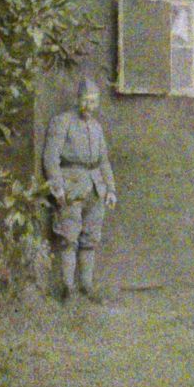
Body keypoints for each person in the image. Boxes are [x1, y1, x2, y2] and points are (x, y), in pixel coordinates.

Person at [42, 77, 116, 302]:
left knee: (90, 239)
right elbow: (51, 157)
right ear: (78, 99)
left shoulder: (96, 127)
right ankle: (67, 287)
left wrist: (111, 189)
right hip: (71, 187)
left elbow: (103, 161)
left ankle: (86, 286)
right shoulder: (63, 122)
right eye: (85, 101)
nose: (89, 106)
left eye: (93, 102)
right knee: (69, 237)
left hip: (95, 188)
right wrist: (57, 186)